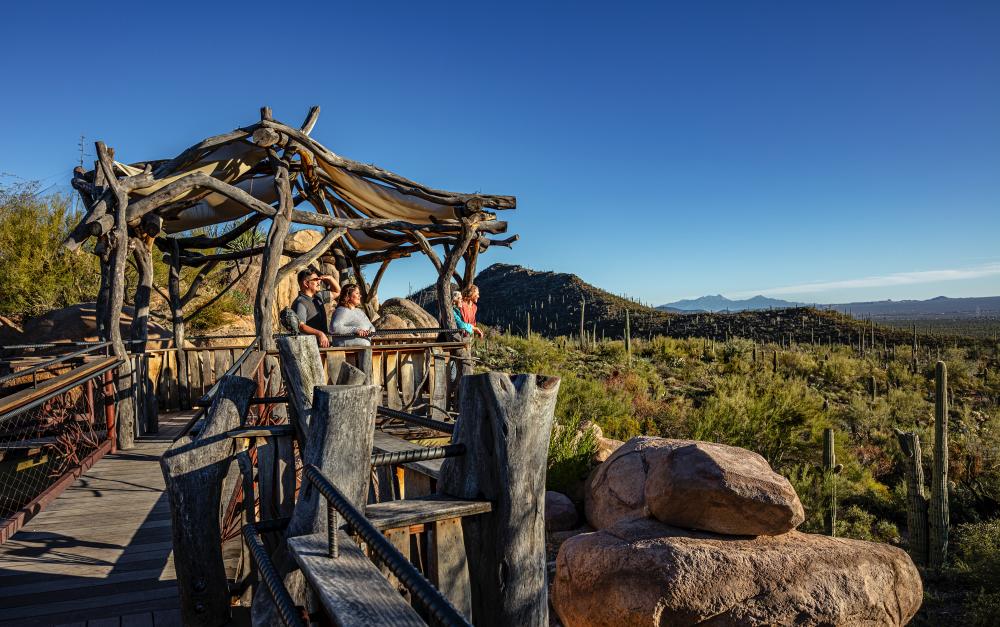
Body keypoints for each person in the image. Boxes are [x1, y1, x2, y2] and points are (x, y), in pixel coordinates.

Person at [292, 268, 340, 348]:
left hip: (322, 345)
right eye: (316, 280)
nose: (319, 282)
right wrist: (319, 333)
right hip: (309, 347)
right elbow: (301, 326)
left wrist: (330, 278)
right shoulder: (300, 303)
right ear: (306, 283)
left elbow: (337, 291)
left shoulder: (319, 296)